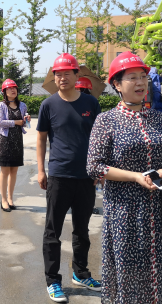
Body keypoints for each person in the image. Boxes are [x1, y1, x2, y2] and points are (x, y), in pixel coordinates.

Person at [86, 51, 162, 304]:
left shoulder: (159, 119)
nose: (140, 82)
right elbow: (94, 167)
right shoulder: (106, 121)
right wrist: (135, 177)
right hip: (124, 212)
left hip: (158, 209)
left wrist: (161, 173)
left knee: (159, 269)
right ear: (117, 85)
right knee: (128, 272)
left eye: (143, 77)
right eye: (132, 78)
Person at [36, 53, 102, 303]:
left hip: (86, 177)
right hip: (59, 176)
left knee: (82, 229)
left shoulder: (91, 103)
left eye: (66, 73)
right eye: (58, 74)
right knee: (52, 231)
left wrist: (98, 169)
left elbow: (99, 139)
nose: (62, 77)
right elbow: (41, 138)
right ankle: (53, 280)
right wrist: (41, 170)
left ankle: (81, 273)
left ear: (77, 75)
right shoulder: (48, 105)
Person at [0, 79, 31, 212]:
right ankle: (3, 200)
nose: (13, 90)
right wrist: (16, 122)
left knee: (14, 171)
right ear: (4, 91)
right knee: (5, 171)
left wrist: (26, 120)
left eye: (14, 88)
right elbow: (0, 122)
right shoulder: (1, 105)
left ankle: (10, 198)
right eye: (9, 88)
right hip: (4, 141)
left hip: (17, 141)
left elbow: (24, 123)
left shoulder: (22, 105)